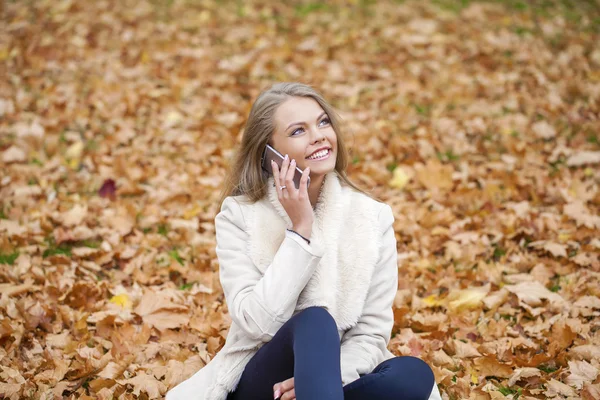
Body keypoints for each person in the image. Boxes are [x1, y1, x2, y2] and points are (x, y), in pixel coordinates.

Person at [166, 82, 442, 400]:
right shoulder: (240, 216)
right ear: (268, 152)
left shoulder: (372, 217)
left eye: (323, 122)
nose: (319, 136)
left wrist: (322, 379)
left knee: (413, 374)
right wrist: (300, 230)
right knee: (314, 321)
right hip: (261, 383)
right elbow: (257, 324)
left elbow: (371, 333)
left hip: (335, 382)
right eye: (298, 131)